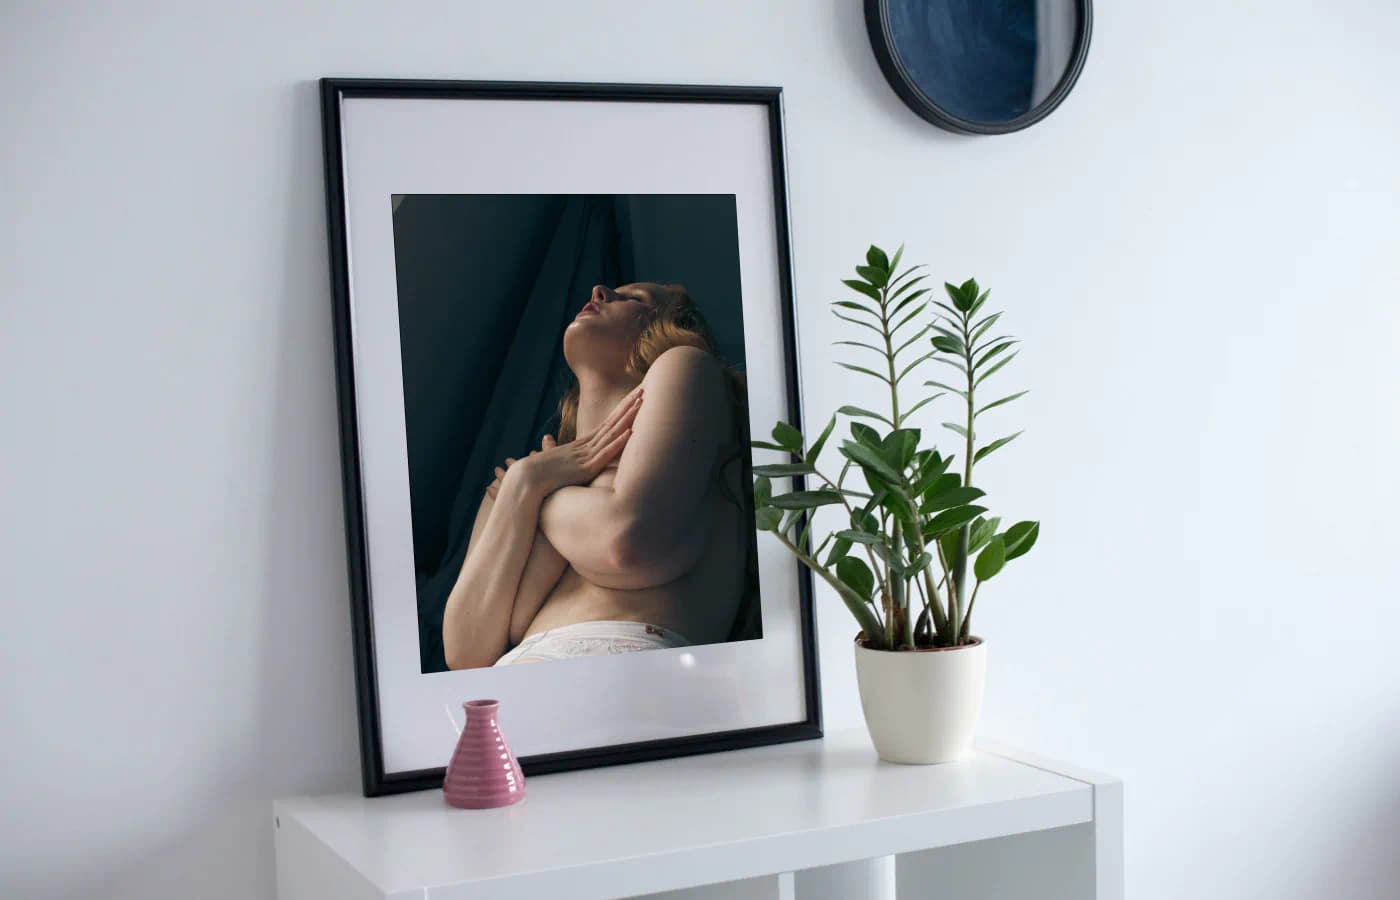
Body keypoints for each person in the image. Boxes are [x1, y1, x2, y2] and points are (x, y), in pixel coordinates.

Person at [442, 283, 753, 669]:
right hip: (513, 694)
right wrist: (528, 481)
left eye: (636, 299)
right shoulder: (533, 472)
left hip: (629, 675)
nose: (599, 290)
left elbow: (625, 541)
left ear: (668, 327)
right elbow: (465, 654)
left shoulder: (687, 365)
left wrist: (532, 492)